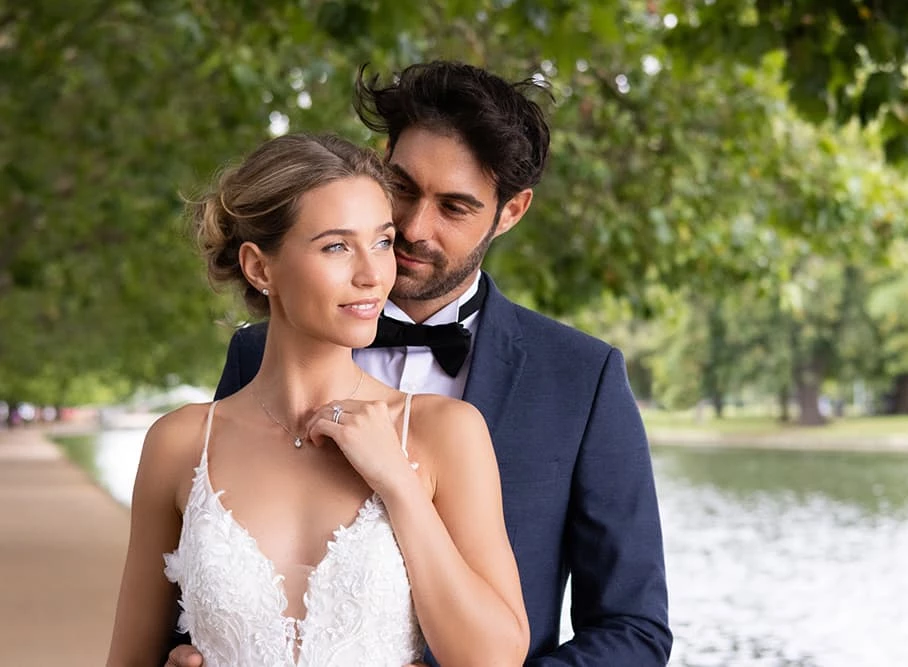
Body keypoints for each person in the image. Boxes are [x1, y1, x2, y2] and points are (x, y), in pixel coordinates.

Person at [168, 61, 672, 666]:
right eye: (403, 188)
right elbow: (204, 563)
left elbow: (633, 630)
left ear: (510, 213)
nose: (411, 227)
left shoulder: (580, 378)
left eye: (454, 208)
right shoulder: (256, 352)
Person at [107, 133, 529, 666]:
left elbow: (495, 659)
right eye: (336, 246)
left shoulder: (443, 431)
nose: (373, 274)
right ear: (260, 268)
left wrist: (397, 482)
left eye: (381, 241)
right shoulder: (180, 442)